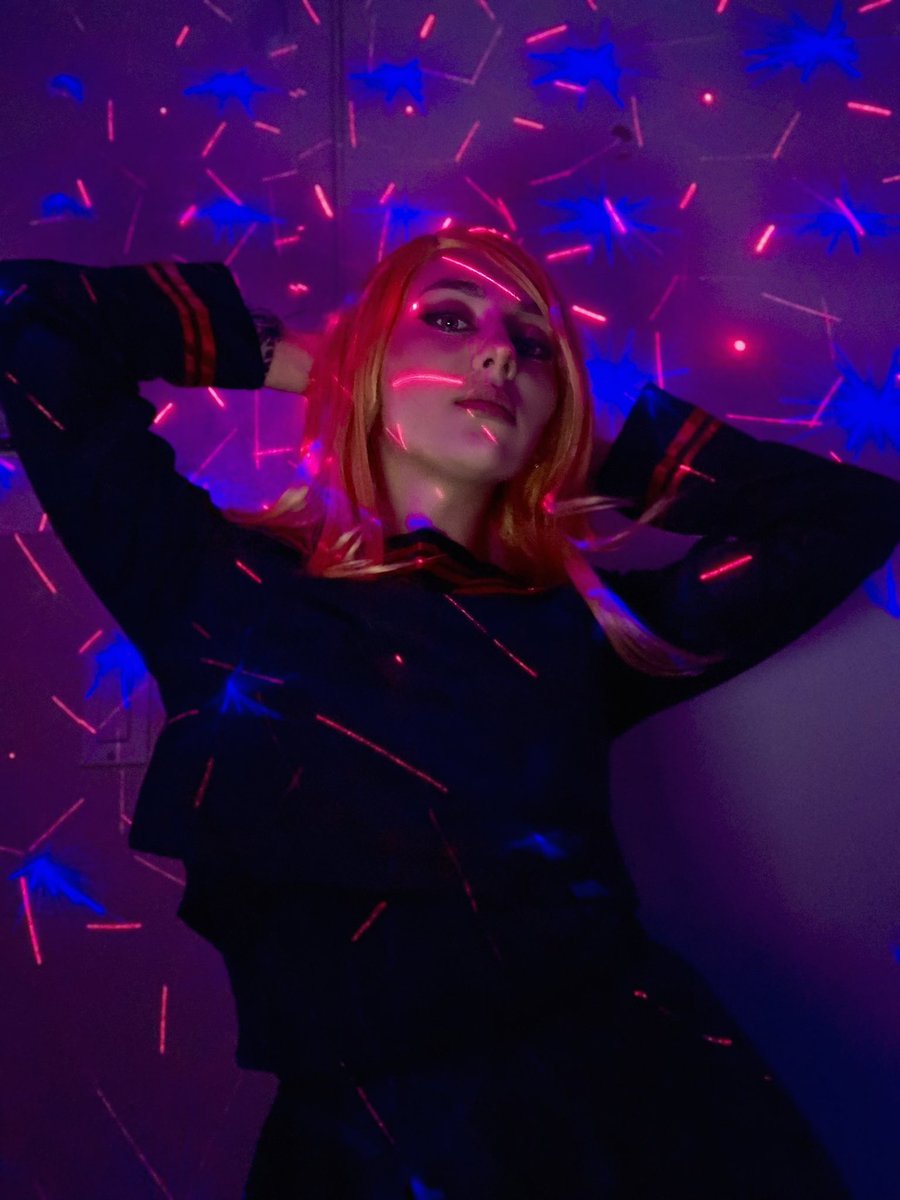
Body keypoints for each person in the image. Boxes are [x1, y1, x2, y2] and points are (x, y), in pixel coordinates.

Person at [1, 227, 898, 1199]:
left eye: (535, 345)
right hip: (372, 1152)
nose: (501, 354)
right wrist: (305, 361)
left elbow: (848, 516)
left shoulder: (585, 631)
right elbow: (27, 317)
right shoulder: (214, 588)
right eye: (448, 319)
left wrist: (576, 443)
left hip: (652, 1106)